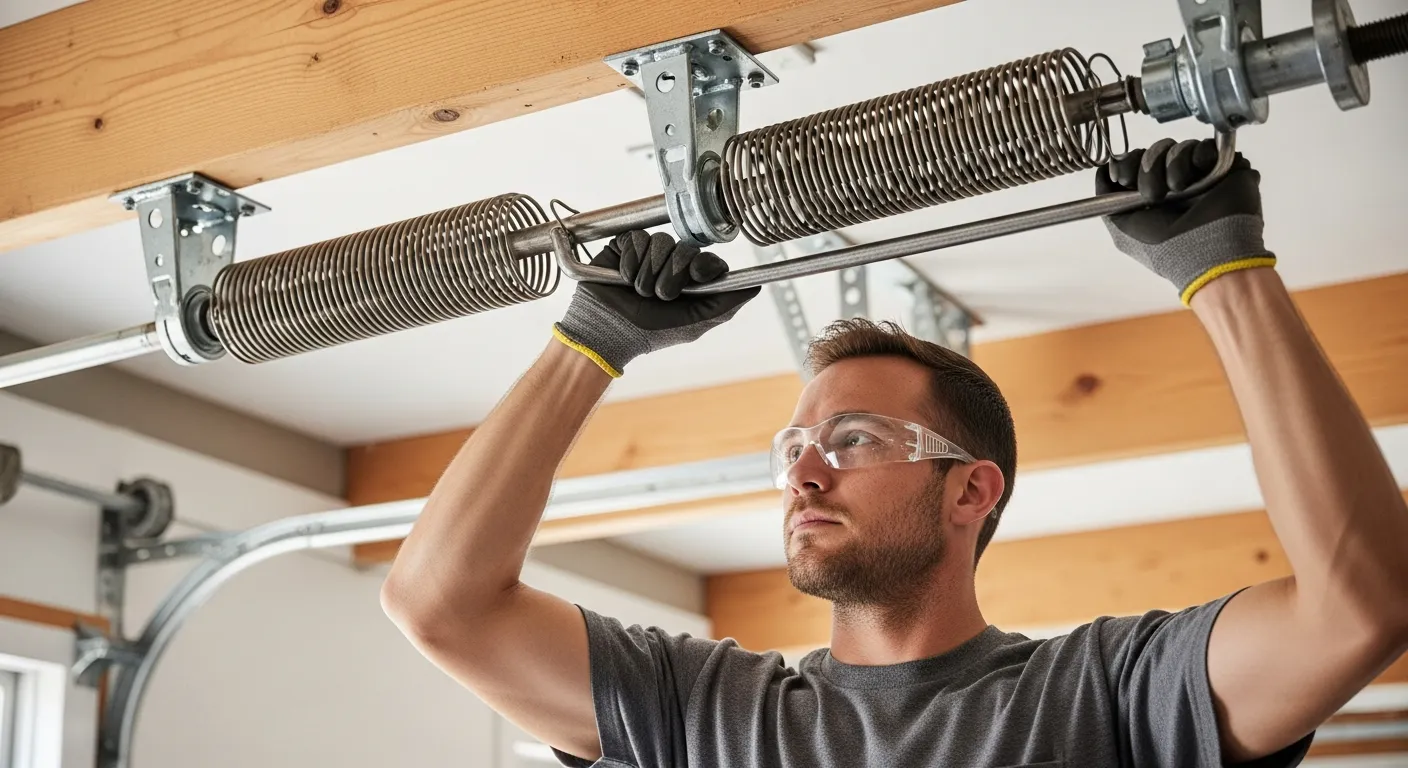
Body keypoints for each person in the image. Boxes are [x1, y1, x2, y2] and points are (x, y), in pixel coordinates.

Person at [380, 138, 1408, 767]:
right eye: (794, 449)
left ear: (972, 492)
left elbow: (1359, 605)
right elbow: (439, 602)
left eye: (853, 439)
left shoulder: (1105, 693)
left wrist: (1223, 271)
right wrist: (588, 344)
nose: (803, 474)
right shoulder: (700, 714)